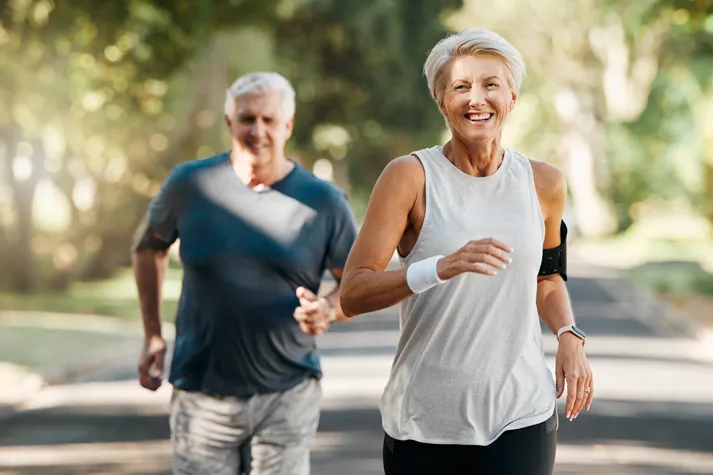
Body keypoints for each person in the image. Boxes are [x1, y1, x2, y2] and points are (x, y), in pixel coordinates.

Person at [339, 29, 594, 475]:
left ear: (512, 97)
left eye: (490, 84)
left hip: (521, 414)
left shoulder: (544, 183)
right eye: (461, 87)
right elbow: (353, 293)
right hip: (424, 419)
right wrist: (437, 268)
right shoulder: (409, 177)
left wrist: (569, 334)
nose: (477, 99)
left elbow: (548, 277)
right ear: (441, 100)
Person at [131, 71, 358, 475]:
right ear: (229, 122)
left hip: (288, 390)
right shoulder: (190, 184)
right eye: (247, 118)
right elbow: (148, 248)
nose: (258, 131)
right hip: (201, 394)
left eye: (269, 120)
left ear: (288, 125)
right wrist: (152, 332)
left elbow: (356, 284)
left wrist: (328, 308)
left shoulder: (324, 202)